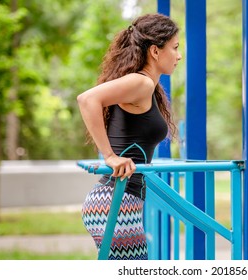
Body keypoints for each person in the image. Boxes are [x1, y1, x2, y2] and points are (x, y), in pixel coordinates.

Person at [77, 13, 181, 260]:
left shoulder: (147, 86)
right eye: (175, 48)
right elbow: (87, 99)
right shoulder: (141, 83)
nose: (179, 55)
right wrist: (110, 156)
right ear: (155, 51)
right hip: (115, 202)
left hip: (121, 201)